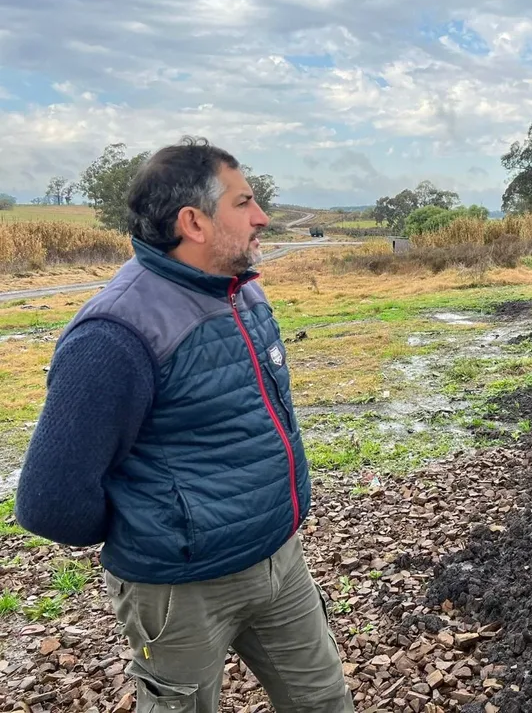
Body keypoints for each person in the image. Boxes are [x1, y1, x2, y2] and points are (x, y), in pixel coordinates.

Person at [15, 137, 355, 713]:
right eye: (244, 202)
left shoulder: (241, 292)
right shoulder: (115, 335)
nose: (262, 217)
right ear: (193, 222)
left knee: (324, 700)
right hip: (180, 591)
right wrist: (161, 527)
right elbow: (49, 501)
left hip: (279, 558)